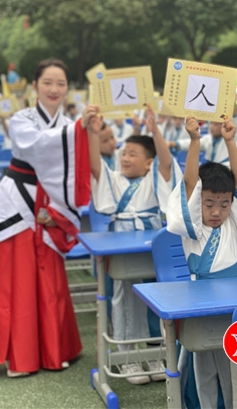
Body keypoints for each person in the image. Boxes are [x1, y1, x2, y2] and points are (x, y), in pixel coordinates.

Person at [0, 58, 92, 378]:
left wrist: (58, 211)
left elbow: (77, 166)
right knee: (18, 279)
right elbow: (37, 147)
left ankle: (54, 350)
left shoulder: (69, 123)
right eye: (47, 82)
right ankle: (19, 355)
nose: (54, 89)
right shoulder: (22, 119)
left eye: (60, 83)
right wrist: (78, 129)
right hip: (18, 201)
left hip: (51, 205)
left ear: (67, 88)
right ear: (34, 86)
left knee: (50, 278)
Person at [166, 116, 237, 408]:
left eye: (224, 204)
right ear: (198, 202)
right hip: (200, 302)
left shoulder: (233, 220)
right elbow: (190, 183)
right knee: (203, 364)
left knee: (236, 359)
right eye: (208, 203)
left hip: (234, 301)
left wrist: (230, 141)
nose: (216, 211)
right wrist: (194, 140)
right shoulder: (194, 228)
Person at [87, 105, 182, 384]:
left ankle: (155, 353)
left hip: (151, 245)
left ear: (148, 162)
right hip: (122, 246)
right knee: (124, 298)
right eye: (124, 153)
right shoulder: (114, 179)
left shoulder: (155, 178)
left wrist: (155, 132)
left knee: (155, 297)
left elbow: (166, 164)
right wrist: (93, 134)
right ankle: (127, 357)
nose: (125, 158)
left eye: (133, 154)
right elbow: (95, 166)